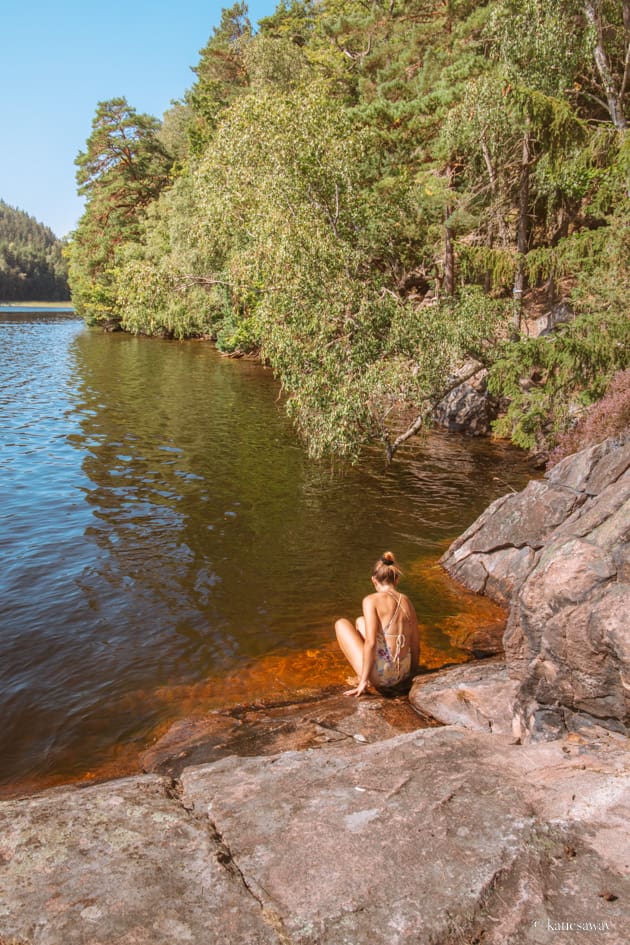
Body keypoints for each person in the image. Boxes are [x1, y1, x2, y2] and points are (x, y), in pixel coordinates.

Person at [335, 551, 419, 697]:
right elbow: (416, 645)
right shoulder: (406, 601)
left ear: (374, 580)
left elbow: (371, 643)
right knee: (360, 621)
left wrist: (363, 681)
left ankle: (364, 676)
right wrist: (413, 674)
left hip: (383, 678)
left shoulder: (370, 600)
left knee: (341, 623)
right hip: (404, 671)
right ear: (396, 579)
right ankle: (384, 671)